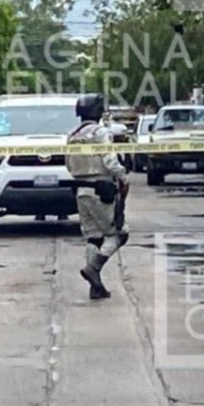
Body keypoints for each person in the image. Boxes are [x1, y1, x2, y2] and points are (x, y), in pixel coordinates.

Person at [67, 94, 130, 300]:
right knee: (119, 234)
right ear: (98, 111)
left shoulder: (72, 134)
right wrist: (123, 175)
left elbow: (68, 165)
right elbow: (110, 161)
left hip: (81, 192)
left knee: (93, 237)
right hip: (101, 191)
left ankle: (96, 287)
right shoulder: (100, 133)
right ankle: (94, 268)